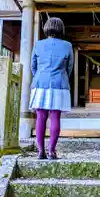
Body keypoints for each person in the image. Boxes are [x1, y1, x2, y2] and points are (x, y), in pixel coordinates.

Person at [29, 17, 73, 159]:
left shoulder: (38, 44)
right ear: (61, 29)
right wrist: (62, 76)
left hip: (40, 82)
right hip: (59, 83)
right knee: (55, 117)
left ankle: (40, 151)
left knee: (40, 116)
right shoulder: (67, 46)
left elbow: (33, 66)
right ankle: (51, 151)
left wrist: (39, 76)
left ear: (46, 28)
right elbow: (69, 67)